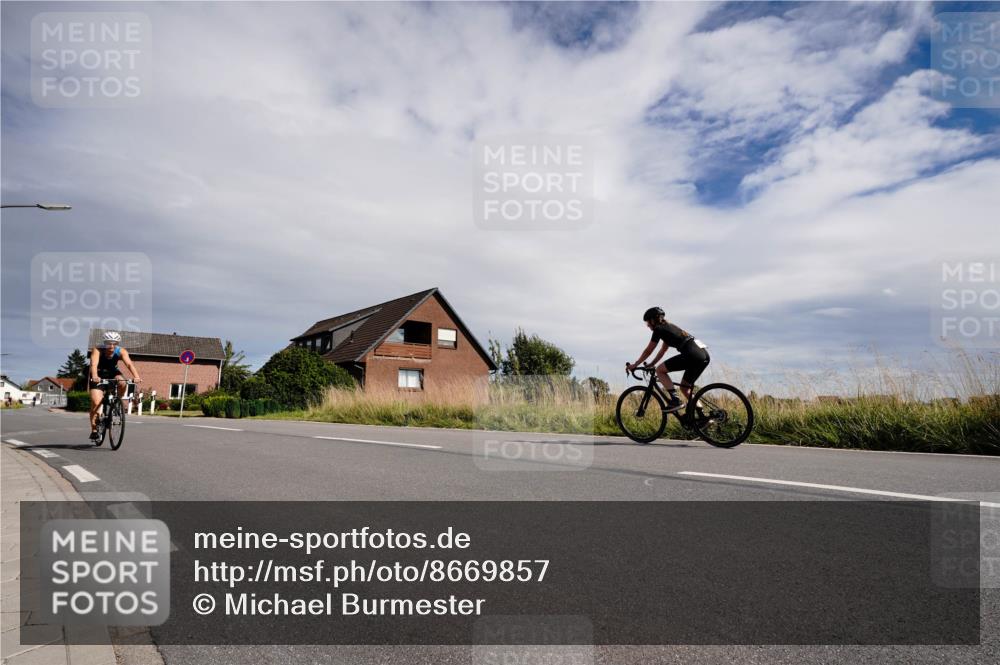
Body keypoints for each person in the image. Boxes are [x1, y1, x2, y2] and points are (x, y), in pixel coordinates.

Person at [626, 307, 710, 413]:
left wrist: (635, 364)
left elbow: (648, 351)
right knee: (685, 388)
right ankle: (702, 416)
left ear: (653, 320)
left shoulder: (658, 329)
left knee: (660, 370)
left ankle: (675, 400)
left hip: (692, 355)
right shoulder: (669, 328)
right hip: (703, 355)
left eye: (648, 322)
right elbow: (663, 351)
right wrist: (652, 363)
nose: (647, 325)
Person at [89, 331, 142, 440]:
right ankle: (94, 430)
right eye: (109, 343)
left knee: (122, 382)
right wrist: (94, 376)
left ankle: (117, 402)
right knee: (96, 403)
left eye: (114, 343)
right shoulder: (98, 350)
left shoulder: (121, 351)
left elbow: (129, 364)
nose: (112, 346)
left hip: (113, 373)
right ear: (105, 343)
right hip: (98, 374)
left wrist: (136, 376)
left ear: (117, 343)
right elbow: (93, 364)